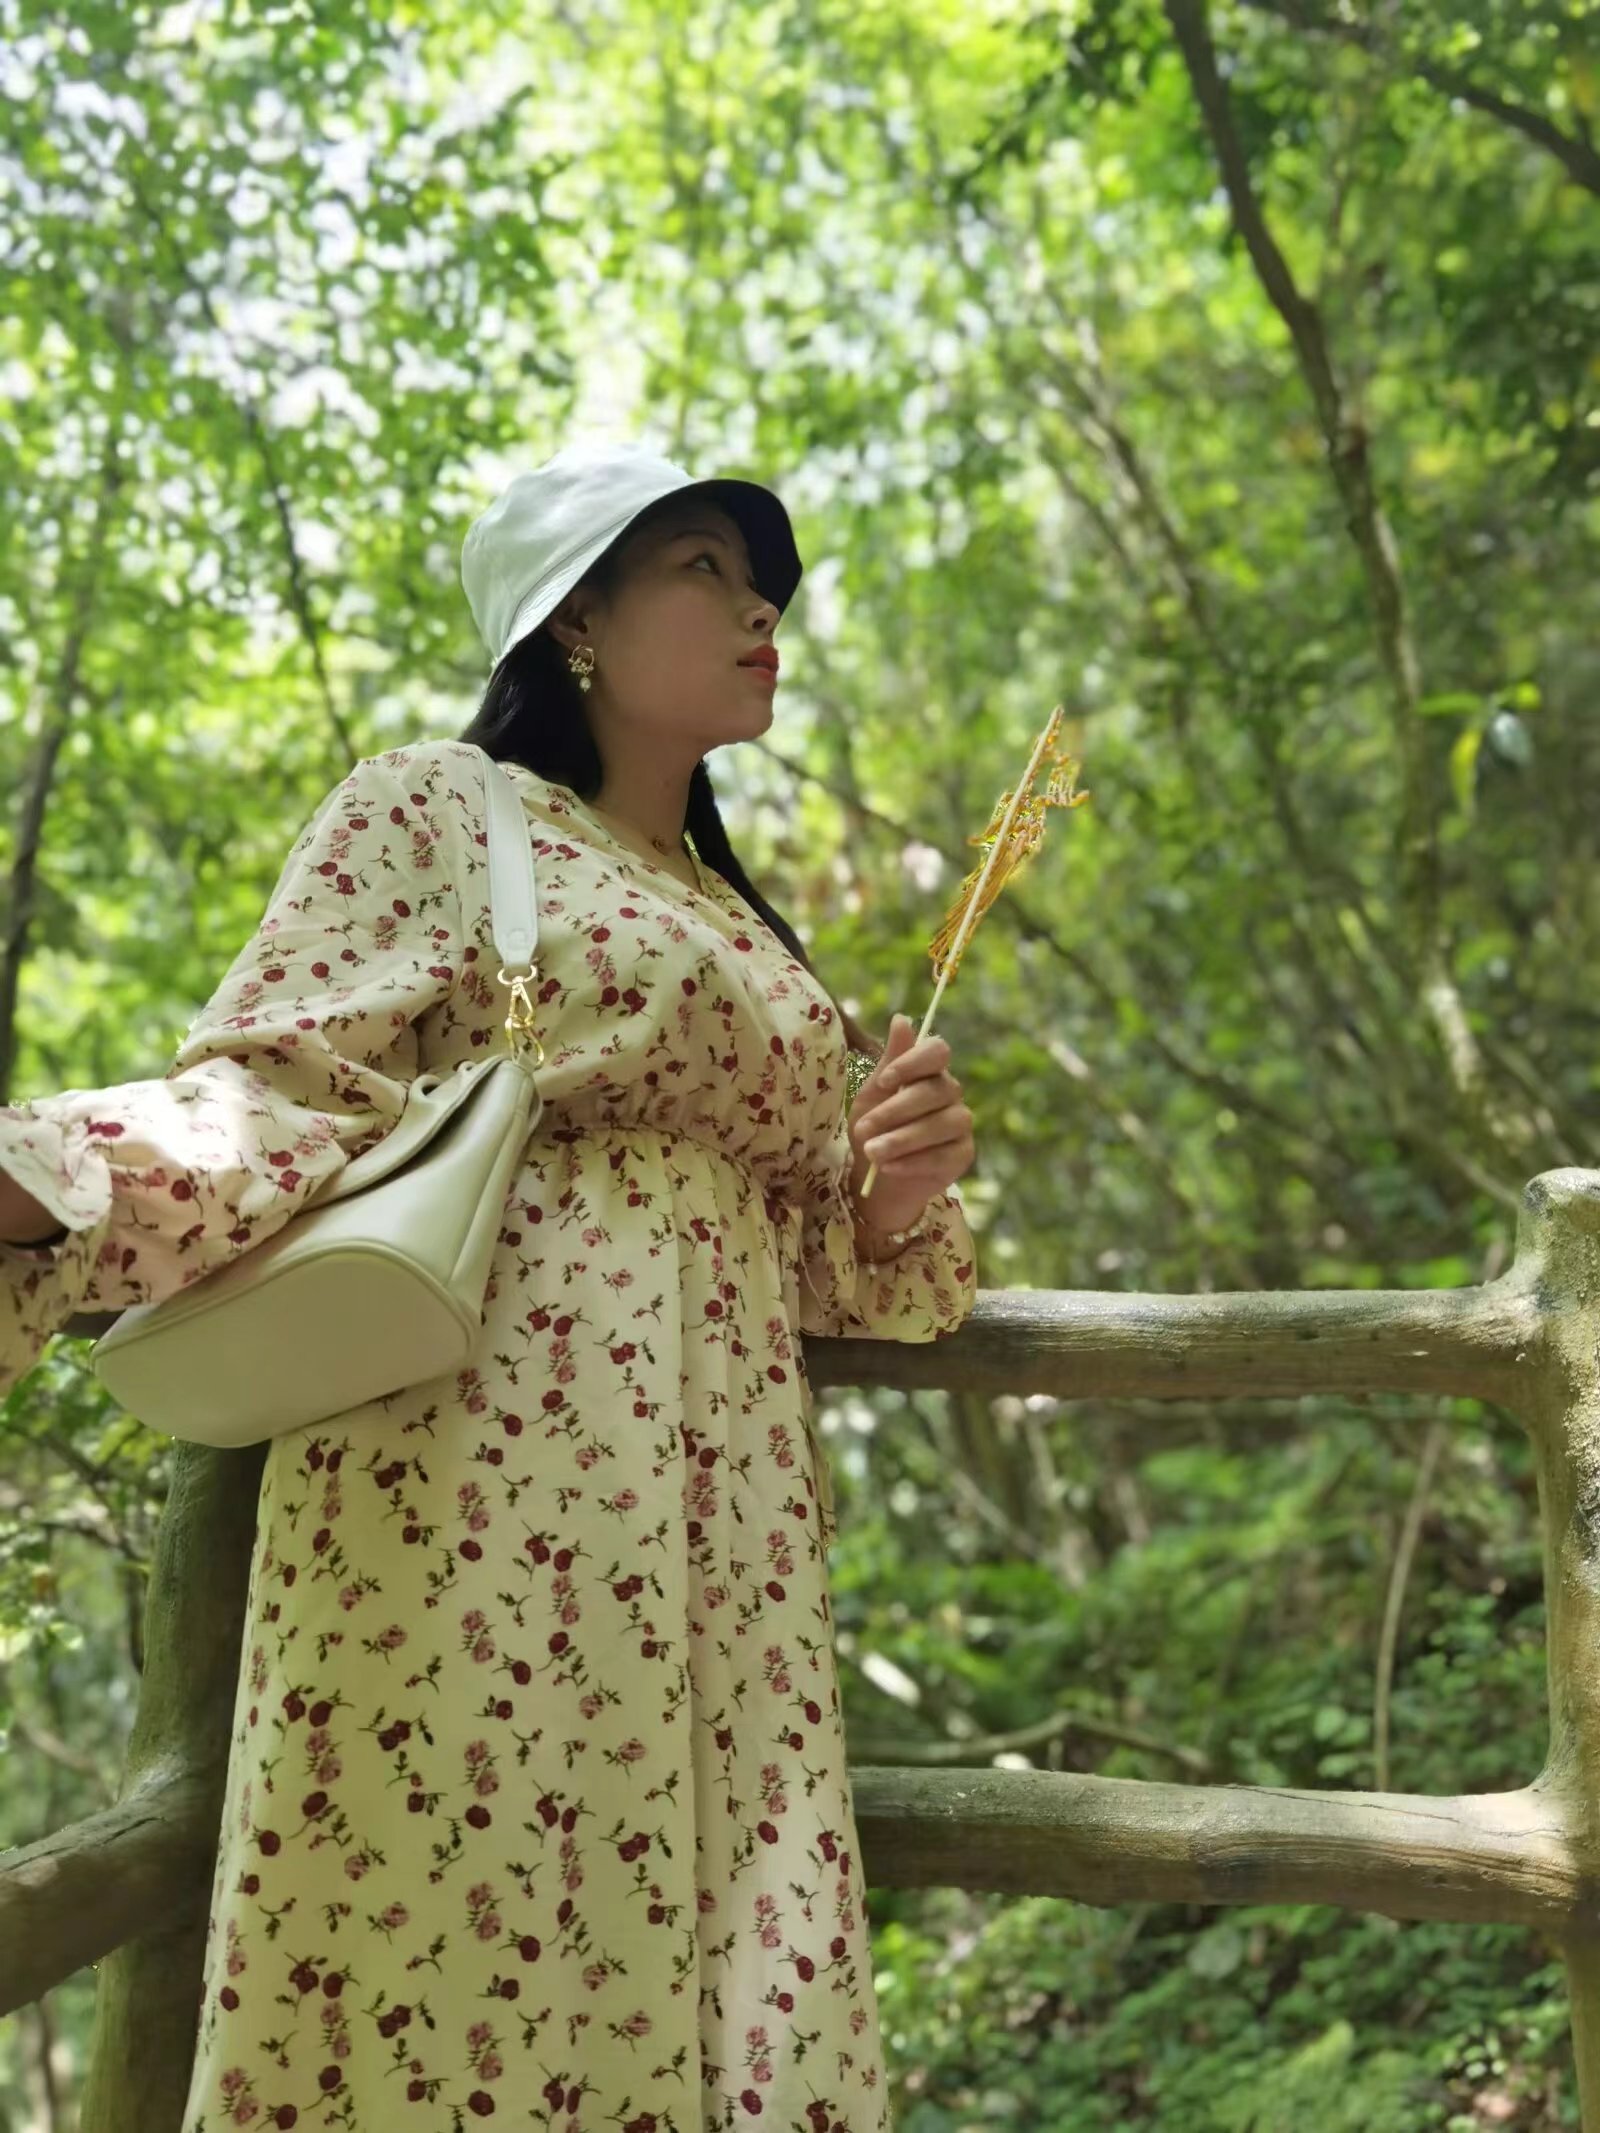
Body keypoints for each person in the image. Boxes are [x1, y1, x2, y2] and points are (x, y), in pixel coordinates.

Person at [0, 439, 979, 2131]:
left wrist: (889, 1192)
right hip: (472, 1486)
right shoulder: (438, 810)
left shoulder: (738, 920)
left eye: (764, 584)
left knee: (728, 1970)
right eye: (705, 567)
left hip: (730, 1536)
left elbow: (816, 1257)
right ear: (573, 619)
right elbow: (274, 1096)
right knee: (451, 1961)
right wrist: (42, 1179)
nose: (761, 609)